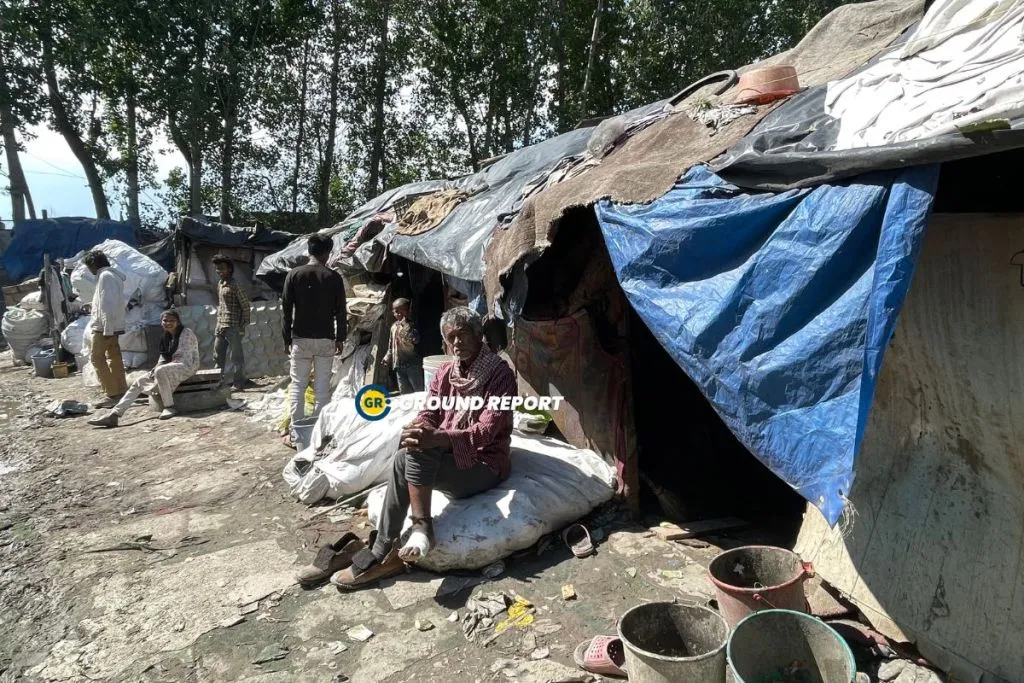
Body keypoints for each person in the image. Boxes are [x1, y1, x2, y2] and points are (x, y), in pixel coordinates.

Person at [332, 306, 517, 589]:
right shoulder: (445, 372)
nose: (457, 343)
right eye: (450, 337)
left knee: (418, 452)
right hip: (452, 457)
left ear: (479, 335)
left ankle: (415, 531)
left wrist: (438, 438)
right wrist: (418, 427)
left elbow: (485, 432)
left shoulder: (499, 374)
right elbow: (430, 413)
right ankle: (389, 544)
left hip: (485, 463)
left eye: (463, 334)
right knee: (405, 454)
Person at [282, 234, 346, 447]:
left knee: (298, 386)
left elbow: (286, 311)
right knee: (321, 388)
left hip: (300, 338)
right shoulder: (333, 277)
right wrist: (341, 338)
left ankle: (297, 432)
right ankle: (319, 434)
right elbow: (341, 312)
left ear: (309, 251)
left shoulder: (293, 275)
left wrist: (286, 338)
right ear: (328, 253)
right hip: (325, 339)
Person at [87, 310, 200, 427]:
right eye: (165, 320)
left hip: (187, 365)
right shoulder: (165, 337)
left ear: (178, 322)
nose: (168, 323)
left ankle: (169, 407)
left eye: (172, 321)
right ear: (161, 322)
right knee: (139, 381)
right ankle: (115, 414)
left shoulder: (186, 333)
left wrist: (161, 368)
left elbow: (185, 357)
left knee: (160, 371)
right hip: (170, 367)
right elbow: (163, 357)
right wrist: (155, 369)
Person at [82, 250, 128, 408]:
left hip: (104, 328)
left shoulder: (105, 277)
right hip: (112, 325)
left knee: (97, 358)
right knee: (114, 358)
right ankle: (121, 389)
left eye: (89, 266)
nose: (90, 270)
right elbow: (109, 303)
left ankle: (112, 393)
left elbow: (108, 306)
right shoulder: (112, 276)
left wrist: (107, 329)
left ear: (94, 264)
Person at [212, 254, 250, 390]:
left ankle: (238, 383)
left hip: (234, 326)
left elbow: (245, 306)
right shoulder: (220, 284)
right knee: (217, 355)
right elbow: (221, 305)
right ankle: (218, 383)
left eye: (222, 268)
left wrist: (242, 326)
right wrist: (218, 322)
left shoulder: (235, 285)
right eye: (217, 269)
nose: (219, 271)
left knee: (236, 357)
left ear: (229, 269)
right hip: (221, 325)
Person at [381, 298, 423, 394]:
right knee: (404, 391)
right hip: (398, 365)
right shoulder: (394, 327)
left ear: (408, 311)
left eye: (402, 311)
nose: (399, 314)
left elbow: (416, 340)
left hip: (412, 365)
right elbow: (391, 344)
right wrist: (388, 355)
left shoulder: (412, 326)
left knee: (418, 391)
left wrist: (406, 327)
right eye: (396, 312)